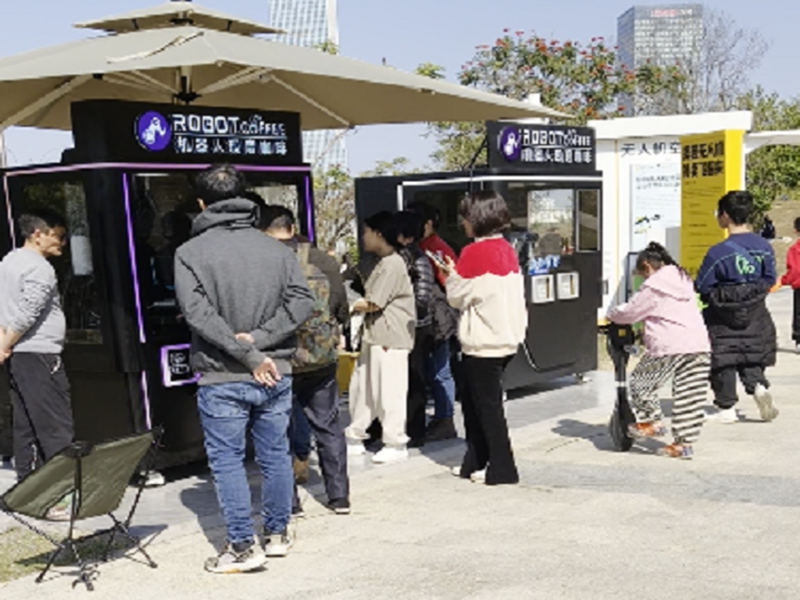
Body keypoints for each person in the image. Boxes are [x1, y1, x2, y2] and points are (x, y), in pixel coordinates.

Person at [174, 165, 314, 574]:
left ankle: (240, 546)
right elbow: (302, 302)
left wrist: (245, 350)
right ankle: (276, 535)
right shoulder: (276, 248)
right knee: (274, 454)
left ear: (202, 203)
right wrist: (262, 342)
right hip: (275, 369)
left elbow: (197, 314)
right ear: (244, 197)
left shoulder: (189, 253)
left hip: (223, 373)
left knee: (228, 462)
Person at [256, 201, 352, 516]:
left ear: (262, 231)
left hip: (280, 359)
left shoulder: (264, 262)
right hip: (320, 357)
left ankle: (290, 502)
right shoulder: (322, 259)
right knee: (327, 426)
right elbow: (340, 307)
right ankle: (339, 497)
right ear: (293, 227)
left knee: (278, 429)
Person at [434, 191, 527, 485]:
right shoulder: (506, 248)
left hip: (482, 342)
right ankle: (475, 462)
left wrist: (449, 274)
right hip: (507, 337)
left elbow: (457, 296)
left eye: (465, 217)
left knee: (484, 409)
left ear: (475, 219)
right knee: (482, 406)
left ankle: (501, 468)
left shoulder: (474, 253)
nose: (462, 223)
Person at [607, 243, 711, 459]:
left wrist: (611, 314)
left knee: (642, 382)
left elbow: (631, 312)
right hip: (699, 344)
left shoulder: (656, 285)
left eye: (642, 274)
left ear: (647, 266)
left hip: (669, 345)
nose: (642, 280)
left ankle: (651, 421)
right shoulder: (683, 280)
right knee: (689, 397)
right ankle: (683, 445)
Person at [0, 209, 73, 491]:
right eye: (59, 236)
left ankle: (27, 491)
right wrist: (5, 345)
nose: (62, 243)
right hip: (40, 354)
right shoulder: (39, 268)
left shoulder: (9, 260)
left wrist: (5, 342)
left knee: (26, 424)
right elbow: (28, 312)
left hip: (20, 355)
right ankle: (57, 495)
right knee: (55, 425)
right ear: (38, 234)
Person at [695, 190, 779, 424]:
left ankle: (726, 408)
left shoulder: (717, 252)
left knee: (724, 358)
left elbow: (703, 285)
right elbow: (770, 278)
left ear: (724, 216)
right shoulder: (763, 246)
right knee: (750, 354)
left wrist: (724, 296)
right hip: (755, 312)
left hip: (721, 314)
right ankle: (758, 387)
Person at [345, 211, 415, 464]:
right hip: (375, 335)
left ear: (378, 233)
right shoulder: (383, 262)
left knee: (389, 391)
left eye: (365, 231)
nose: (362, 237)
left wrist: (345, 301)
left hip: (390, 337)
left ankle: (395, 442)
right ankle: (355, 435)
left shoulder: (392, 264)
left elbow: (373, 302)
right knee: (363, 389)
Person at [408, 202, 459, 440]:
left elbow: (450, 282)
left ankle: (445, 417)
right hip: (437, 318)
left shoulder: (433, 250)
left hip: (440, 319)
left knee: (440, 370)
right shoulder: (427, 246)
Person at [395, 211, 437, 447]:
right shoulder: (404, 256)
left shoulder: (417, 258)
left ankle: (415, 430)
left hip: (416, 327)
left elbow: (422, 297)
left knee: (415, 379)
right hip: (410, 325)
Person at [779, 217, 800, 352]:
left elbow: (794, 270)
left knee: (799, 313)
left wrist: (784, 280)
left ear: (795, 230)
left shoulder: (794, 250)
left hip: (799, 285)